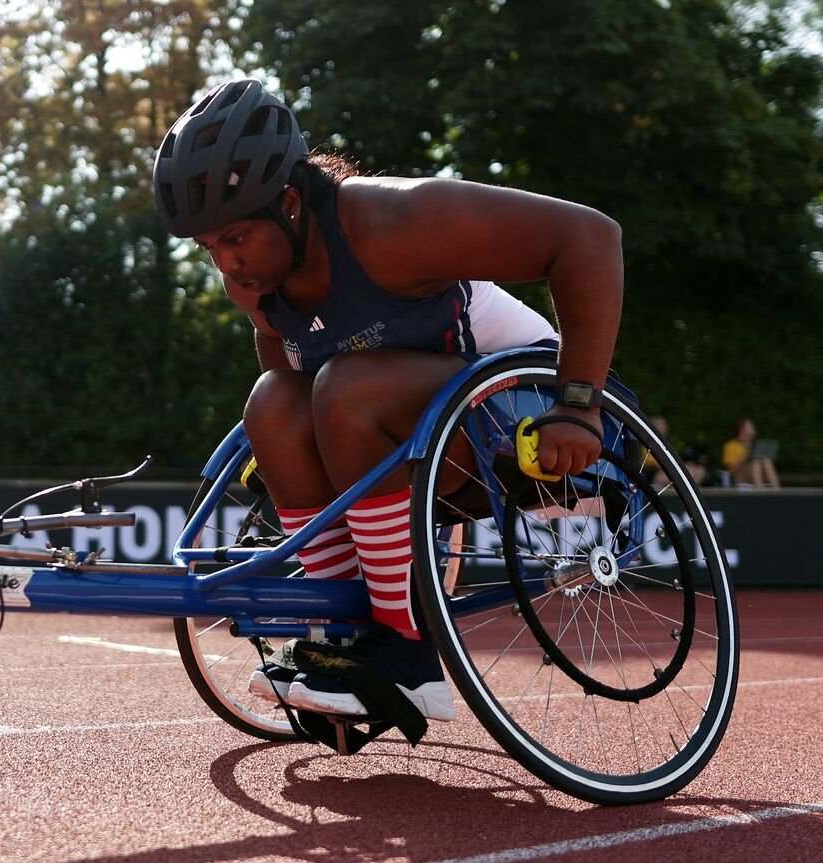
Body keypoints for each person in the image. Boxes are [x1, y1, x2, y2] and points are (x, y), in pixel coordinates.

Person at [152, 78, 623, 723]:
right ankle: (345, 635)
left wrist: (578, 403)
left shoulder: (393, 223)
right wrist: (285, 450)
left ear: (289, 203)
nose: (227, 266)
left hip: (537, 416)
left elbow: (590, 237)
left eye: (235, 238)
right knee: (270, 403)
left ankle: (405, 648)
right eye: (210, 251)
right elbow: (287, 371)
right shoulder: (257, 287)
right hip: (418, 434)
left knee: (347, 388)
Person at [721, 418, 780, 489]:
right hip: (740, 476)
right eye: (750, 426)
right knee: (756, 462)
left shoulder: (756, 444)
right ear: (742, 429)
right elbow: (733, 468)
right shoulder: (731, 445)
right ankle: (759, 493)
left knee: (766, 460)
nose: (753, 427)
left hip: (756, 473)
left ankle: (777, 491)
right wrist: (747, 455)